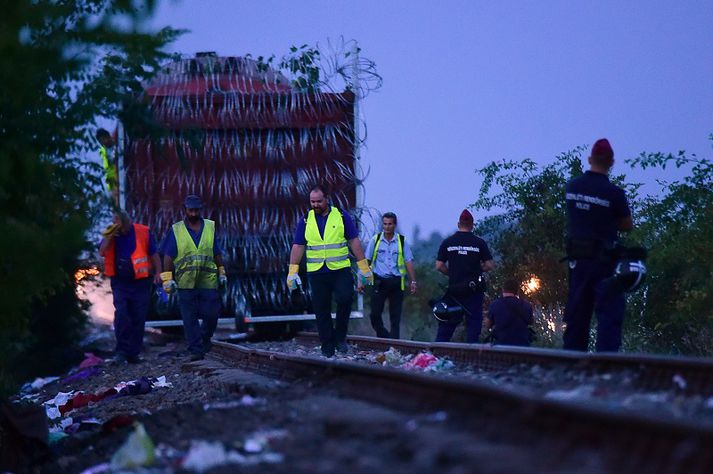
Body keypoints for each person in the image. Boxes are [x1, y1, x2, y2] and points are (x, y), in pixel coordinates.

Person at [563, 138, 633, 352]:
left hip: (578, 261)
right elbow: (627, 225)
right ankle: (605, 365)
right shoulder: (614, 193)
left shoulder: (572, 186)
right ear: (611, 162)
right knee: (609, 315)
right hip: (605, 263)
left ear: (589, 159)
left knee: (577, 315)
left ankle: (572, 364)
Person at [287, 185, 373, 357]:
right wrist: (292, 271)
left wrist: (364, 267)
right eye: (312, 202)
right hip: (317, 272)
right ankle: (327, 344)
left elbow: (354, 241)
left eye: (319, 201)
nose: (316, 205)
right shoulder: (305, 220)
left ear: (327, 199)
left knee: (345, 299)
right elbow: (298, 246)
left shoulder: (341, 216)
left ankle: (340, 337)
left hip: (340, 269)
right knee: (321, 308)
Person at [160, 195, 227, 361]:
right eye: (191, 210)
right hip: (186, 281)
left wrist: (222, 271)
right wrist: (167, 278)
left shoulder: (210, 227)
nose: (194, 213)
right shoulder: (177, 230)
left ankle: (204, 339)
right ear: (185, 210)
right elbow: (168, 256)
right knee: (189, 318)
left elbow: (216, 251)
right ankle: (196, 349)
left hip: (208, 280)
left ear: (200, 209)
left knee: (212, 313)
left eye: (196, 210)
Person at [99, 210, 162, 363]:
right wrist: (109, 236)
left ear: (126, 222)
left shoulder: (142, 232)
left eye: (118, 221)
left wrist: (159, 273)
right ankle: (122, 351)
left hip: (140, 282)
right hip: (120, 282)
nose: (117, 224)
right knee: (122, 314)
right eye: (114, 221)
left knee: (138, 317)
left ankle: (133, 353)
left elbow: (154, 255)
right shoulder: (111, 234)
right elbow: (102, 251)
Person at [435, 209, 495, 343]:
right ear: (472, 225)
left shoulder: (448, 242)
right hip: (473, 291)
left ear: (458, 224)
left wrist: (453, 272)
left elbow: (439, 265)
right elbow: (490, 265)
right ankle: (471, 355)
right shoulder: (479, 243)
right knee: (474, 324)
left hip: (454, 290)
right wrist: (478, 269)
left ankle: (437, 352)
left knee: (447, 322)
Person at [364, 212, 417, 339]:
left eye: (390, 224)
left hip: (396, 282)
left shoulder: (401, 241)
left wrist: (413, 281)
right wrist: (362, 281)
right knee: (375, 315)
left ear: (395, 225)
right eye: (385, 224)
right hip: (379, 281)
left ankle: (394, 344)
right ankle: (385, 337)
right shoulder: (375, 240)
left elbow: (408, 261)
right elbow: (367, 260)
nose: (387, 227)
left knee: (395, 317)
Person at [485, 279, 534, 347]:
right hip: (523, 346)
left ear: (503, 289)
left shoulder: (495, 304)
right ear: (517, 291)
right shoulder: (526, 305)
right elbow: (531, 322)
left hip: (501, 345)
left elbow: (487, 325)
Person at [96, 128, 118, 203]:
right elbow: (107, 168)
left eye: (104, 139)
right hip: (113, 182)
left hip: (120, 176)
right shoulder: (103, 151)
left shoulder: (118, 142)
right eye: (101, 141)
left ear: (108, 136)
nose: (103, 143)